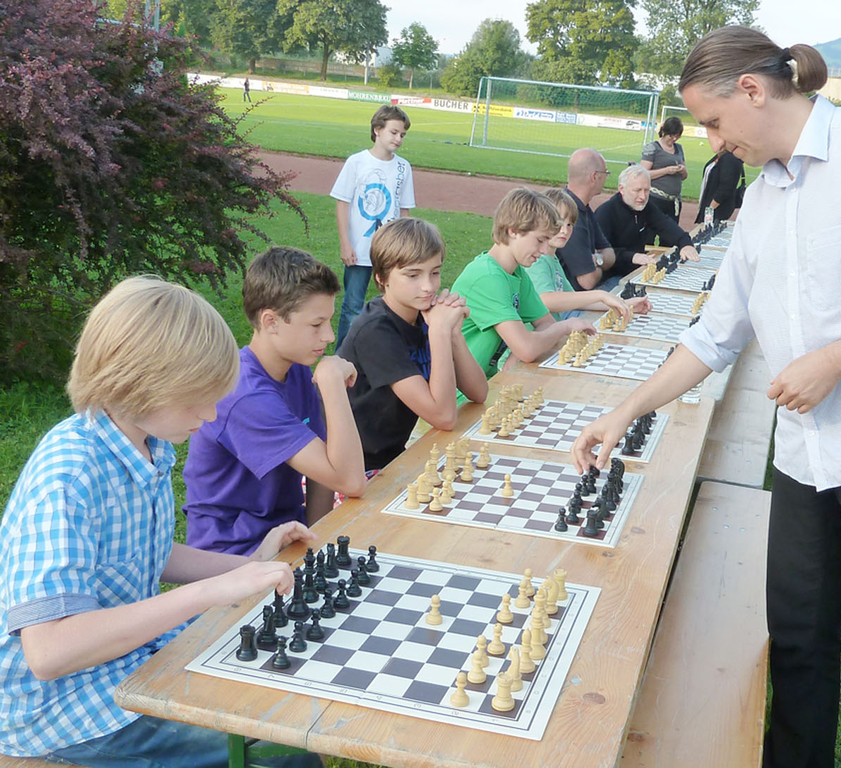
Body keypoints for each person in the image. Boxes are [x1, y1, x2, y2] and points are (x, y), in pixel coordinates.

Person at [571, 25, 841, 768]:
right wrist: (624, 410)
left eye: (713, 121)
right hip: (803, 452)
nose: (711, 140)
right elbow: (716, 333)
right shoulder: (765, 194)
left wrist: (835, 360)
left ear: (754, 90)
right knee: (796, 642)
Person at [0, 276, 321, 767]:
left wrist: (247, 566)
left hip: (124, 661)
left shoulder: (147, 442)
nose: (210, 414)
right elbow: (48, 652)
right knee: (279, 751)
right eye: (197, 399)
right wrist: (210, 593)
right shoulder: (68, 475)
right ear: (139, 383)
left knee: (279, 686)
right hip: (62, 707)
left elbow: (148, 552)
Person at [184, 246, 367, 556]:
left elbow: (326, 471)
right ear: (271, 321)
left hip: (289, 535)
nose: (329, 336)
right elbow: (350, 481)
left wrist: (316, 545)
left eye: (329, 322)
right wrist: (332, 385)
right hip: (236, 554)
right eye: (316, 325)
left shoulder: (295, 368)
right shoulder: (246, 397)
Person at [338, 217, 488, 471]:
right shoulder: (375, 330)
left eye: (435, 272)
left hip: (392, 457)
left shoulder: (423, 314)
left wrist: (453, 334)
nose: (428, 286)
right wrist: (439, 331)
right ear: (382, 277)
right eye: (413, 275)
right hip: (356, 468)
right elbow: (444, 417)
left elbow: (478, 392)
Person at [451, 187, 595, 378]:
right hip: (462, 392)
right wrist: (565, 327)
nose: (545, 251)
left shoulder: (516, 272)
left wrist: (521, 351)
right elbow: (528, 348)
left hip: (488, 381)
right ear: (513, 231)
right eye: (540, 240)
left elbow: (546, 323)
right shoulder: (487, 277)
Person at [330, 104, 415, 348]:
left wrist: (405, 248)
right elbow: (342, 204)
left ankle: (386, 350)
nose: (398, 139)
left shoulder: (403, 167)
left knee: (394, 304)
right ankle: (344, 355)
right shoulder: (357, 162)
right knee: (353, 306)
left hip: (390, 252)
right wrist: (346, 244)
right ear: (377, 130)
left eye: (402, 135)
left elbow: (405, 210)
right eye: (394, 132)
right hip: (359, 249)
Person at [527, 188, 652, 320]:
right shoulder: (538, 259)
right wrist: (600, 295)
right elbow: (546, 300)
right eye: (558, 223)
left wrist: (623, 304)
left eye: (569, 224)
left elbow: (577, 301)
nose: (564, 230)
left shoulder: (553, 258)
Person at [594, 165, 700, 284]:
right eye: (637, 190)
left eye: (646, 190)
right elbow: (600, 252)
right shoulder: (605, 213)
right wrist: (632, 257)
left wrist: (685, 244)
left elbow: (667, 226)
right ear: (621, 189)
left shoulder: (646, 208)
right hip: (611, 277)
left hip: (635, 272)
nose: (643, 196)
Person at [555, 148, 617, 290]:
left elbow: (610, 254)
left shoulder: (583, 207)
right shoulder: (569, 216)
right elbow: (587, 280)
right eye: (605, 173)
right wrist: (600, 261)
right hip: (572, 299)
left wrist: (597, 259)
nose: (606, 178)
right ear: (594, 176)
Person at [640, 116, 688, 222]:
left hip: (674, 201)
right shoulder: (653, 148)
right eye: (671, 136)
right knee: (652, 229)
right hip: (655, 199)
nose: (674, 139)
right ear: (664, 132)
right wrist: (666, 171)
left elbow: (684, 176)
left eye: (677, 136)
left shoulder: (679, 148)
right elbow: (643, 174)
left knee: (672, 231)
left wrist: (682, 170)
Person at [695, 147, 744, 224]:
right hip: (709, 207)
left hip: (718, 210)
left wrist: (710, 210)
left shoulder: (730, 158)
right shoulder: (720, 155)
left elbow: (726, 188)